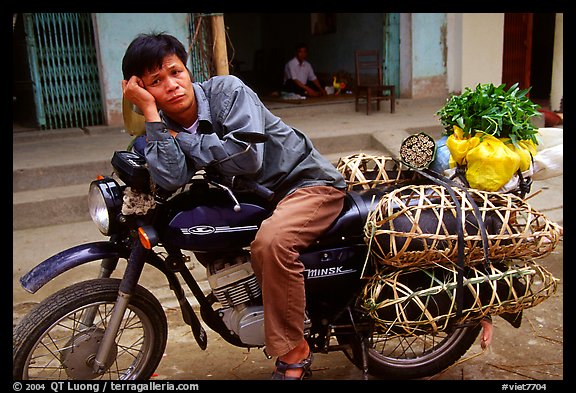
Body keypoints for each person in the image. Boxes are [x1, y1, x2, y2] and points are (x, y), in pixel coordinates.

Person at [121, 32, 346, 380]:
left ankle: (295, 352)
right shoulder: (163, 124)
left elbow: (246, 159)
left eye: (175, 72)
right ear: (142, 90)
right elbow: (170, 177)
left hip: (304, 184)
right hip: (258, 198)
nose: (172, 86)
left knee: (271, 243)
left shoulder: (228, 91)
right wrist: (150, 114)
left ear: (187, 70)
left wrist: (183, 139)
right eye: (155, 82)